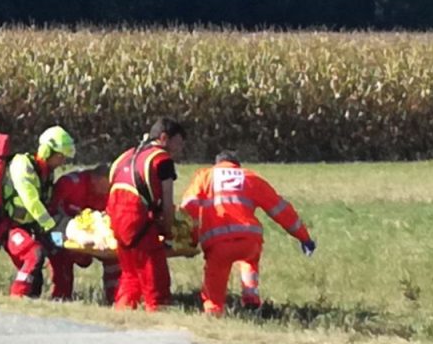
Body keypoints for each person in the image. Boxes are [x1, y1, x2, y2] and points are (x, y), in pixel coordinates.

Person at [179, 150, 316, 315]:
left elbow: (189, 208)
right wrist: (304, 237)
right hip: (249, 241)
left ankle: (213, 313)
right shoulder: (250, 178)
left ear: (217, 164)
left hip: (218, 244)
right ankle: (251, 299)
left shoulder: (205, 176)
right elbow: (281, 211)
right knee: (249, 260)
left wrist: (189, 238)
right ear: (237, 165)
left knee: (215, 280)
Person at [107, 118, 186, 311]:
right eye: (179, 142)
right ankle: (158, 317)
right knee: (156, 282)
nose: (181, 148)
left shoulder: (126, 156)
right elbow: (167, 203)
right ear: (164, 138)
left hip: (117, 224)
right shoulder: (163, 160)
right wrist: (168, 231)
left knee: (130, 275)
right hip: (140, 223)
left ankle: (123, 314)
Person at [0, 126, 76, 298]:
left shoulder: (47, 173)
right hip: (9, 225)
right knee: (34, 254)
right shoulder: (22, 165)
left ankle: (60, 298)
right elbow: (31, 200)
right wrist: (51, 226)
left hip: (32, 226)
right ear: (48, 151)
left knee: (60, 251)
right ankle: (17, 298)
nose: (62, 162)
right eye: (60, 157)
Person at [47, 164, 120, 302]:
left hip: (95, 235)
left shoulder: (109, 193)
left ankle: (115, 298)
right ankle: (60, 297)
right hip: (62, 230)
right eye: (106, 185)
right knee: (59, 252)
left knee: (114, 256)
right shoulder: (70, 184)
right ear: (95, 179)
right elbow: (53, 216)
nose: (107, 191)